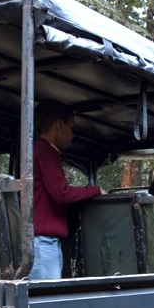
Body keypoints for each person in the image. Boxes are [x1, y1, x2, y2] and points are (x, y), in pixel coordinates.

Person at [29, 99, 102, 279]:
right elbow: (62, 193)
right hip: (43, 242)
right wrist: (95, 190)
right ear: (59, 126)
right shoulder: (46, 152)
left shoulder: (37, 150)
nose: (73, 134)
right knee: (46, 302)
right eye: (71, 127)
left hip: (41, 242)